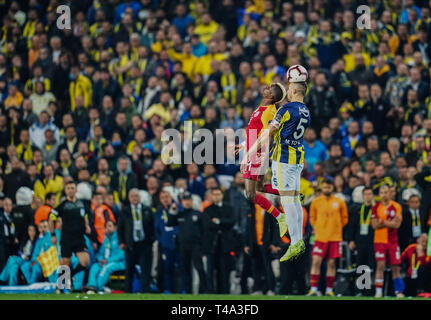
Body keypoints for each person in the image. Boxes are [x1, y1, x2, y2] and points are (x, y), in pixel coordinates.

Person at [244, 65, 311, 262]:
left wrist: (250, 151)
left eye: (289, 88)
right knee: (294, 200)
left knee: (287, 200)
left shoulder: (286, 109)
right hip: (297, 158)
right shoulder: (305, 110)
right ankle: (298, 240)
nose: (287, 91)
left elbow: (269, 133)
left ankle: (295, 242)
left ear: (294, 90)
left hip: (284, 159)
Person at [237, 83, 286, 237]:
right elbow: (256, 132)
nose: (265, 87)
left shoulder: (269, 113)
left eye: (269, 88)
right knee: (261, 188)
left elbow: (268, 137)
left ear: (271, 97)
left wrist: (252, 156)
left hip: (257, 154)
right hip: (254, 151)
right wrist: (244, 145)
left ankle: (280, 216)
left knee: (250, 194)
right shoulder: (261, 108)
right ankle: (291, 193)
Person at [308, 178, 348, 296]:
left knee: (331, 263)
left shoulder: (340, 202)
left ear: (333, 188)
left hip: (335, 237)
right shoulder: (316, 202)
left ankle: (329, 290)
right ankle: (314, 289)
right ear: (322, 188)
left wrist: (336, 227)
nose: (327, 189)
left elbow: (344, 219)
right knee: (316, 262)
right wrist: (319, 227)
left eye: (329, 187)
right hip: (320, 237)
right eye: (325, 187)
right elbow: (312, 218)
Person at [48, 181, 91, 291]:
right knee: (65, 263)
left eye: (72, 188)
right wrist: (53, 234)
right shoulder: (62, 206)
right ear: (66, 190)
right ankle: (60, 287)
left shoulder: (82, 204)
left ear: (76, 190)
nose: (71, 190)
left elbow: (85, 214)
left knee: (85, 261)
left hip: (79, 238)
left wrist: (87, 225)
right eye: (68, 188)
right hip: (67, 238)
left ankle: (70, 276)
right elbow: (51, 218)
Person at [166, 191, 207, 294]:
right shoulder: (180, 214)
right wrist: (173, 210)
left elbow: (204, 231)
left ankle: (204, 291)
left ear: (192, 201)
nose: (187, 202)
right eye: (185, 200)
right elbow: (169, 223)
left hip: (196, 246)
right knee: (185, 270)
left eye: (189, 200)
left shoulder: (198, 214)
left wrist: (203, 246)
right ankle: (188, 291)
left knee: (199, 268)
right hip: (183, 246)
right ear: (182, 202)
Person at [118, 189, 155, 293]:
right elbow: (120, 228)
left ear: (140, 197)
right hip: (130, 244)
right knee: (129, 270)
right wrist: (121, 241)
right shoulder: (125, 211)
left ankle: (146, 291)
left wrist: (152, 240)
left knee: (145, 269)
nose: (135, 198)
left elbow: (153, 226)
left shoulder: (147, 210)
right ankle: (128, 292)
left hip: (144, 243)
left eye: (137, 196)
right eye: (132, 196)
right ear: (129, 198)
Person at [371, 185, 404, 298]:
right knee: (380, 265)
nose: (384, 195)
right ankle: (378, 291)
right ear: (379, 194)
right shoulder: (375, 207)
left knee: (395, 266)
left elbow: (397, 224)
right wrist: (389, 222)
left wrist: (382, 222)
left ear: (390, 193)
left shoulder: (396, 206)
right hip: (379, 241)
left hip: (392, 240)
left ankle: (398, 292)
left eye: (386, 192)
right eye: (382, 192)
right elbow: (374, 225)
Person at [202, 187, 236, 294]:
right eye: (214, 194)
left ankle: (224, 292)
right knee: (210, 271)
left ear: (222, 195)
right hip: (211, 244)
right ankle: (210, 292)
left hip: (225, 245)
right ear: (211, 196)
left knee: (224, 270)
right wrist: (222, 224)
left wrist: (218, 221)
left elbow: (232, 222)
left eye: (218, 194)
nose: (216, 196)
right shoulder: (207, 209)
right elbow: (207, 224)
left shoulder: (229, 208)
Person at [155, 190, 186, 293]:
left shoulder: (179, 209)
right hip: (166, 245)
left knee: (182, 268)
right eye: (163, 197)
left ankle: (184, 290)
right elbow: (156, 230)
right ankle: (168, 289)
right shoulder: (159, 213)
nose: (165, 199)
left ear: (171, 197)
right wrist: (161, 241)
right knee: (167, 269)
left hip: (179, 244)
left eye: (167, 196)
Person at [347, 187, 375, 295]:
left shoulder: (376, 208)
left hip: (371, 241)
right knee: (360, 265)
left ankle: (367, 290)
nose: (368, 196)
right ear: (363, 196)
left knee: (368, 265)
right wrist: (351, 240)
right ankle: (359, 290)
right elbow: (352, 226)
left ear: (372, 195)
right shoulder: (357, 209)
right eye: (366, 194)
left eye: (370, 194)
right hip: (359, 241)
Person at [85, 220, 125, 294]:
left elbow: (121, 254)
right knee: (94, 267)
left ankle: (98, 288)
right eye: (106, 226)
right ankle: (91, 286)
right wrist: (101, 259)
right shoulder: (106, 239)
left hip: (118, 262)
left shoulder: (120, 238)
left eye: (110, 226)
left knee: (107, 268)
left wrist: (107, 260)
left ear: (115, 228)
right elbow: (100, 253)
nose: (108, 228)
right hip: (105, 262)